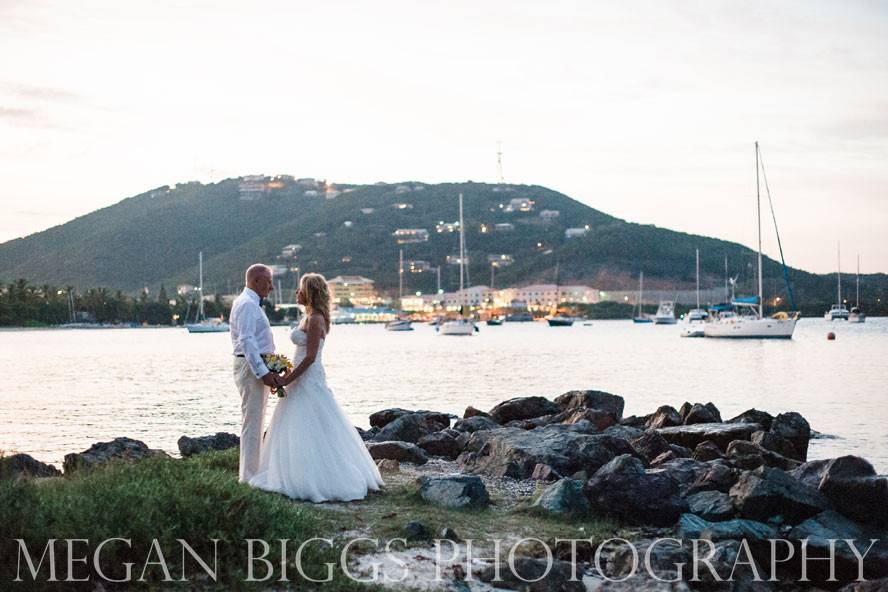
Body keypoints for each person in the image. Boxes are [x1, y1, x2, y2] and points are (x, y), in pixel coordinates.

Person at [249, 273, 384, 502]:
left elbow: (310, 357)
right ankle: (296, 470)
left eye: (300, 289)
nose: (296, 293)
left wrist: (286, 379)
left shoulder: (316, 320)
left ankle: (317, 478)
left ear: (310, 293)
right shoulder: (309, 317)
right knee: (297, 426)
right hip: (300, 377)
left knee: (310, 425)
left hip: (308, 379)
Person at [229, 264, 283, 483]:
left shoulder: (250, 303)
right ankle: (249, 477)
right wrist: (263, 372)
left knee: (256, 419)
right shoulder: (247, 305)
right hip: (251, 367)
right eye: (268, 282)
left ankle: (253, 472)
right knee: (252, 422)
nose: (271, 287)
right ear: (257, 280)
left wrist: (272, 364)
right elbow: (247, 341)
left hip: (255, 364)